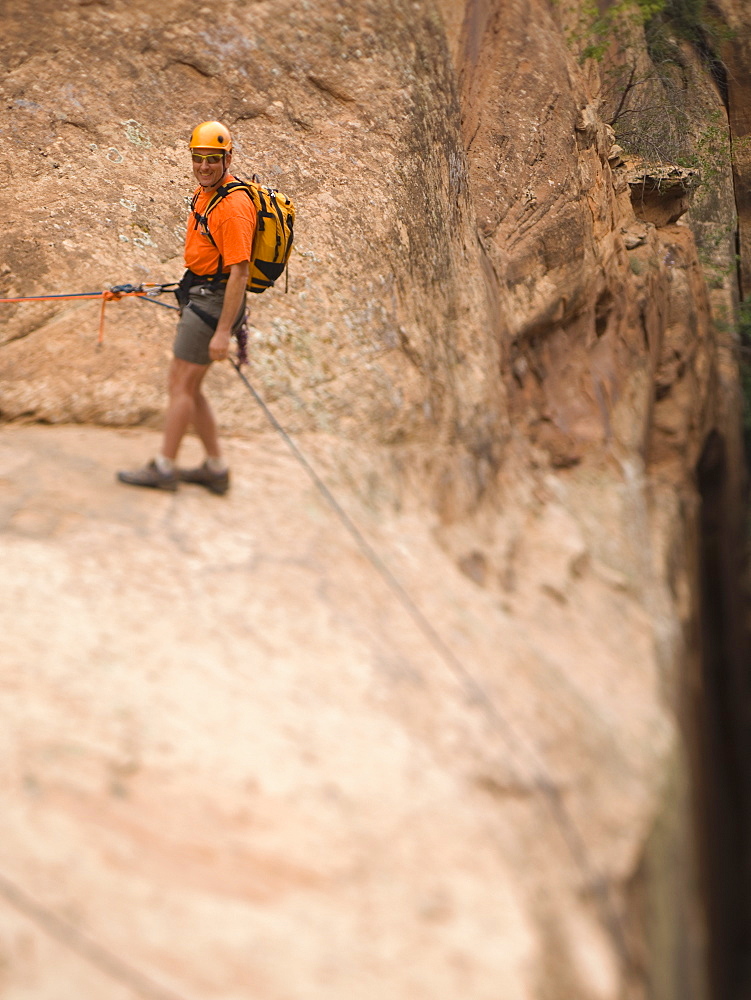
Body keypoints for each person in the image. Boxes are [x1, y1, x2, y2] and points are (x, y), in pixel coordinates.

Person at [117, 120, 256, 495]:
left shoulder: (235, 207)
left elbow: (240, 274)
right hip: (200, 293)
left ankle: (165, 468)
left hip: (214, 303)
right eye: (198, 158)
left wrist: (224, 331)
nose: (204, 166)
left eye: (212, 159)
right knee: (190, 387)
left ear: (228, 158)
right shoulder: (207, 192)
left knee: (180, 383)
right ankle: (215, 467)